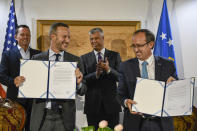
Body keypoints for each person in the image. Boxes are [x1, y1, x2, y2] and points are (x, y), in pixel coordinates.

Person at [117, 29, 177, 131]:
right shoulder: (125, 66)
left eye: (139, 45)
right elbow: (120, 94)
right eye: (134, 46)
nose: (136, 50)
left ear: (151, 44)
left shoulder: (168, 65)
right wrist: (126, 102)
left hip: (162, 124)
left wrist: (175, 84)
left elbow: (175, 92)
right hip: (135, 123)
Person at [30, 22, 86, 131]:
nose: (68, 40)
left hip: (64, 118)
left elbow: (83, 90)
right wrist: (22, 82)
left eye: (69, 37)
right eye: (64, 36)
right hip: (42, 116)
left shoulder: (76, 60)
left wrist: (79, 84)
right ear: (53, 36)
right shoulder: (36, 58)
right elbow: (30, 86)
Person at [0, 25, 41, 131]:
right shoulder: (7, 54)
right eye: (22, 34)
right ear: (15, 37)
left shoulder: (38, 54)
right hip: (14, 99)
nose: (25, 37)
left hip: (33, 99)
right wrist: (13, 81)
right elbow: (2, 76)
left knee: (31, 128)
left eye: (28, 35)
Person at [81, 28, 121, 129]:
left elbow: (120, 77)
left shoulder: (115, 56)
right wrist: (96, 74)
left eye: (96, 38)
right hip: (92, 106)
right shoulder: (84, 58)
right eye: (91, 39)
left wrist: (108, 69)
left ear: (103, 38)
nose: (93, 41)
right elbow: (83, 79)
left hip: (112, 106)